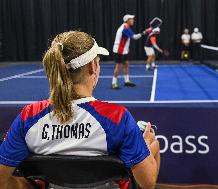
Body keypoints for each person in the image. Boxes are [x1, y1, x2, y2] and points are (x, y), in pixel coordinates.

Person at [0, 31, 160, 189]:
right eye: (98, 61)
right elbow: (147, 182)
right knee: (154, 144)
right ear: (93, 66)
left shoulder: (28, 117)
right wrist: (144, 143)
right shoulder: (118, 117)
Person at [112, 14, 143, 89]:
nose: (133, 20)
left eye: (133, 19)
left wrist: (126, 48)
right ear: (127, 20)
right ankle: (114, 83)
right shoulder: (125, 27)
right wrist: (144, 32)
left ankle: (126, 81)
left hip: (123, 50)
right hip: (119, 50)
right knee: (119, 66)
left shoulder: (126, 26)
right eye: (131, 19)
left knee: (126, 64)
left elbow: (125, 39)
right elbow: (134, 37)